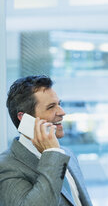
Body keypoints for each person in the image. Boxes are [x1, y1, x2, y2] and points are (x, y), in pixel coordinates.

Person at [0, 75, 93, 206]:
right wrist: (52, 153)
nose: (62, 112)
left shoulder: (66, 153)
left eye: (59, 104)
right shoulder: (5, 166)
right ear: (24, 118)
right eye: (51, 107)